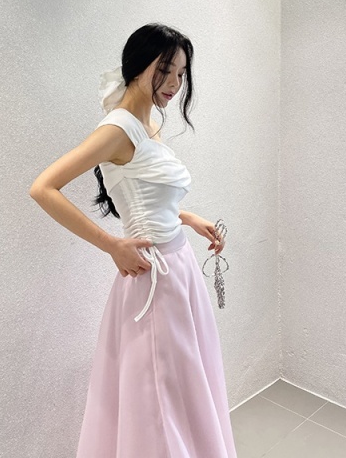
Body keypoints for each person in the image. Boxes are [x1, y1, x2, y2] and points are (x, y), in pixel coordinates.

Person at [29, 23, 237, 458]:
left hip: (178, 268)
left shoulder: (148, 123)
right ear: (138, 66)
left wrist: (187, 218)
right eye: (166, 70)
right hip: (152, 279)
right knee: (158, 399)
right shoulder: (118, 129)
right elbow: (43, 188)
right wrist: (112, 245)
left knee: (180, 388)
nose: (175, 84)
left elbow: (145, 194)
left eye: (181, 74)